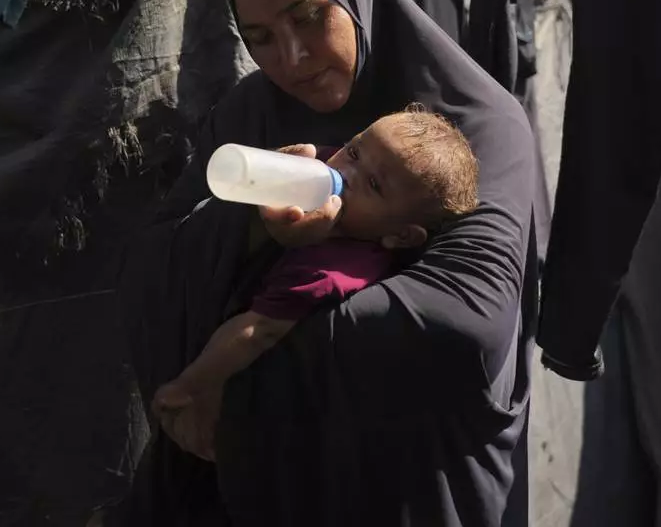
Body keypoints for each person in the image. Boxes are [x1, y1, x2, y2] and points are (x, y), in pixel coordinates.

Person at [110, 0, 538, 527]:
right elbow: (150, 269)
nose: (292, 58)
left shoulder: (476, 126)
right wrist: (256, 226)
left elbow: (469, 322)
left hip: (402, 481)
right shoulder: (250, 115)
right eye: (259, 40)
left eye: (308, 17)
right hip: (245, 476)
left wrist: (242, 367)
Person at [152, 106, 482, 461]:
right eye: (354, 151)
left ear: (400, 236)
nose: (344, 172)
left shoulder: (332, 272)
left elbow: (257, 331)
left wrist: (193, 384)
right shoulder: (325, 168)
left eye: (373, 184)